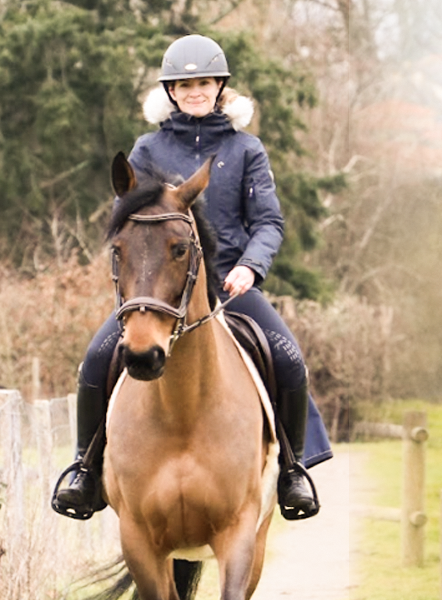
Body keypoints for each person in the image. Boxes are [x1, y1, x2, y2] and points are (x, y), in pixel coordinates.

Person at [52, 34, 331, 520]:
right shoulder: (146, 148)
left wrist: (250, 265)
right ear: (171, 92)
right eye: (185, 85)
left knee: (289, 359)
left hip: (226, 285)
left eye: (204, 82)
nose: (195, 91)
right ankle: (84, 467)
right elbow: (128, 223)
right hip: (157, 289)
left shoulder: (246, 150)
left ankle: (291, 469)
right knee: (96, 359)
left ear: (219, 87)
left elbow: (268, 222)